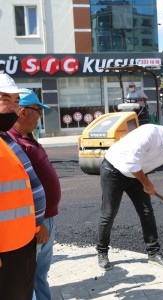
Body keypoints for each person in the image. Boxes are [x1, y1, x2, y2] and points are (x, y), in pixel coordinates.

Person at [96, 119, 163, 270]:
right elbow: (131, 162)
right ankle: (102, 252)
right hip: (114, 171)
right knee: (109, 213)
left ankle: (153, 253)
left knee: (146, 212)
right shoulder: (149, 133)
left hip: (137, 173)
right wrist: (147, 184)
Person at [8, 89, 61, 300]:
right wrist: (36, 224)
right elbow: (19, 190)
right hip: (36, 222)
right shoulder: (12, 142)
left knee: (40, 272)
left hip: (46, 217)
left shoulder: (26, 136)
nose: (40, 116)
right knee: (29, 274)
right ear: (22, 112)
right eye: (38, 111)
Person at [0, 74, 46, 299]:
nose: (12, 108)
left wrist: (36, 227)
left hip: (22, 245)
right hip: (6, 251)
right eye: (4, 98)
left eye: (16, 101)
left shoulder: (5, 140)